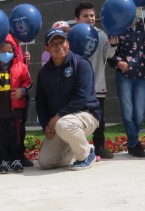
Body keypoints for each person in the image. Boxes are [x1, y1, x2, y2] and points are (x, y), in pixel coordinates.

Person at [35, 29, 100, 170]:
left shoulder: (82, 64)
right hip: (61, 123)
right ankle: (78, 148)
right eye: (53, 44)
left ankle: (86, 155)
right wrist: (46, 125)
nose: (59, 46)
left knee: (64, 125)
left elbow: (82, 98)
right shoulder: (44, 73)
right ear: (47, 48)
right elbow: (40, 102)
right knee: (46, 162)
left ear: (68, 44)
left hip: (86, 115)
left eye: (62, 42)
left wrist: (57, 116)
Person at [74, 2, 116, 160]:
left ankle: (100, 147)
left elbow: (109, 55)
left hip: (98, 85)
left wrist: (113, 43)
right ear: (77, 19)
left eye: (92, 15)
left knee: (99, 120)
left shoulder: (101, 34)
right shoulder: (72, 35)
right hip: (78, 87)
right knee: (78, 119)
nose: (90, 18)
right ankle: (80, 150)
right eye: (85, 16)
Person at [0, 35, 32, 173]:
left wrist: (22, 90)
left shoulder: (21, 67)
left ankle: (16, 158)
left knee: (15, 135)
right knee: (2, 137)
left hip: (15, 110)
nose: (6, 54)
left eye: (9, 51)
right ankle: (3, 160)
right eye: (2, 51)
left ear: (14, 52)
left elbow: (28, 82)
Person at [109, 14, 145, 157]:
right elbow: (110, 54)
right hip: (124, 76)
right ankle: (134, 144)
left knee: (139, 114)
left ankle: (132, 142)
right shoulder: (117, 29)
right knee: (128, 112)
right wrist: (118, 62)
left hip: (141, 76)